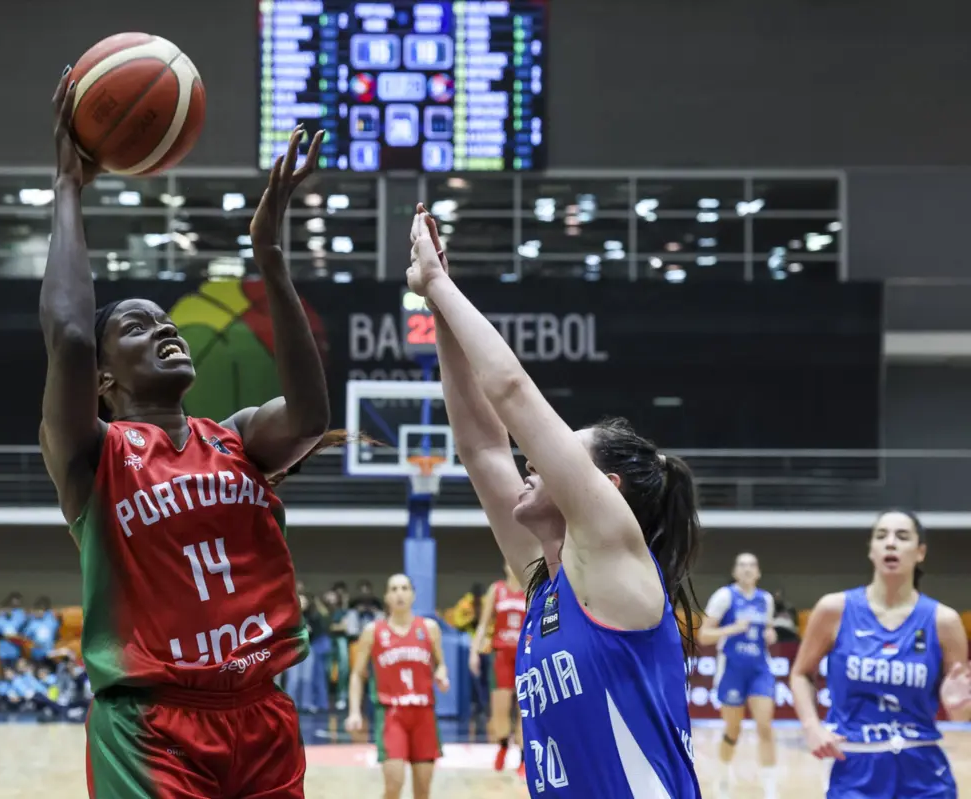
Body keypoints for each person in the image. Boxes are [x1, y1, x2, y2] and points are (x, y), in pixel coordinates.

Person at [40, 69, 333, 799]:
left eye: (167, 321)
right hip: (151, 727)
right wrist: (70, 187)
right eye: (138, 327)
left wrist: (270, 255)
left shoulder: (238, 439)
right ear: (104, 381)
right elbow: (73, 334)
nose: (167, 328)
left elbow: (311, 417)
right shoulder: (94, 454)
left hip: (261, 717)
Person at [411, 204, 702, 798]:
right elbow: (480, 446)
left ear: (603, 490)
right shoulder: (548, 579)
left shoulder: (614, 557)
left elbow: (513, 392)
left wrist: (440, 284)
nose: (530, 460)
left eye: (553, 455)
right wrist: (438, 308)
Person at [789, 509, 971, 798]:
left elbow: (962, 713)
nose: (890, 543)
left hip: (922, 765)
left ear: (920, 552)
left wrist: (960, 706)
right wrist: (812, 727)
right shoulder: (833, 609)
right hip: (855, 763)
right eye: (881, 536)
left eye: (902, 536)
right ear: (871, 550)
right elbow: (800, 673)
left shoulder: (944, 621)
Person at [345, 575, 450, 799]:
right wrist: (354, 712)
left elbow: (441, 664)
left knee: (423, 791)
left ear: (412, 595)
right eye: (394, 589)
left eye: (404, 588)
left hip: (424, 714)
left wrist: (441, 675)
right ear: (386, 597)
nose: (399, 593)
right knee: (394, 784)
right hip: (392, 714)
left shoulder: (429, 628)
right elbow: (357, 675)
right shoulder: (373, 631)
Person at [699, 553, 778, 799]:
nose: (747, 569)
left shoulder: (765, 599)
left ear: (758, 572)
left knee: (765, 727)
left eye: (752, 565)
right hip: (732, 667)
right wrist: (733, 629)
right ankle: (722, 774)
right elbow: (703, 635)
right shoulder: (724, 596)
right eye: (742, 565)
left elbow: (768, 629)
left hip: (759, 668)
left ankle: (770, 788)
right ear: (735, 572)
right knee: (733, 729)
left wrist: (770, 634)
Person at [470, 563, 526, 772]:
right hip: (501, 654)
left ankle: (523, 759)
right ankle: (503, 745)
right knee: (500, 710)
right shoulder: (497, 589)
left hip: (524, 655)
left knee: (525, 710)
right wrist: (474, 652)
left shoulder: (531, 588)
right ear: (504, 566)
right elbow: (484, 624)